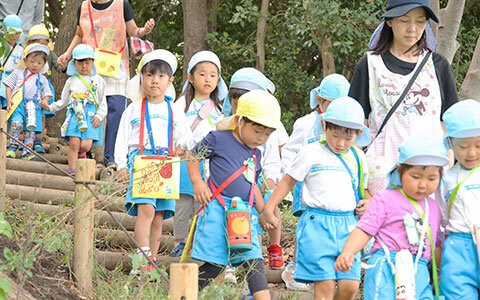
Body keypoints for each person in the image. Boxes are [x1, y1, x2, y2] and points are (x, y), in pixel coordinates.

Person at [260, 96, 371, 300]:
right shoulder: (311, 152)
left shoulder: (358, 157)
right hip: (317, 225)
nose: (340, 143)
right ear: (324, 125)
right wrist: (269, 208)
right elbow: (287, 181)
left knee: (350, 285)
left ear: (358, 134)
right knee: (325, 285)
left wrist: (368, 203)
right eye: (335, 134)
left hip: (348, 227)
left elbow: (364, 191)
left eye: (347, 138)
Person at [348, 0, 458, 196]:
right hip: (382, 176)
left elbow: (450, 123)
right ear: (389, 21)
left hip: (430, 175)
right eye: (404, 20)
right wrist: (361, 187)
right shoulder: (370, 65)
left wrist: (449, 164)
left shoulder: (438, 65)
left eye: (420, 21)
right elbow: (356, 125)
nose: (413, 29)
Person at [188, 90, 281, 300]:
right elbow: (193, 156)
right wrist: (198, 182)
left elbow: (253, 186)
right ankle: (182, 293)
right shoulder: (218, 138)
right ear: (240, 121)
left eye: (267, 134)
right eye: (258, 131)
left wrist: (265, 212)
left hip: (244, 214)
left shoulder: (256, 152)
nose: (262, 138)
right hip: (217, 210)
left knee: (254, 262)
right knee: (215, 265)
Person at [335, 135, 449, 300]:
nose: (423, 184)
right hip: (387, 266)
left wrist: (445, 269)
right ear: (400, 170)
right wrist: (348, 252)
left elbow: (435, 245)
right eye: (416, 177)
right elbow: (365, 230)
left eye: (432, 178)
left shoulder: (434, 208)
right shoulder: (385, 199)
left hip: (420, 270)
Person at [114, 49, 190, 274]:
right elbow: (121, 138)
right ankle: (142, 256)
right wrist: (120, 165)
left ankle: (152, 261)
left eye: (160, 76)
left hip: (167, 164)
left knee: (159, 216)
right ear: (141, 79)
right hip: (141, 161)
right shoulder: (133, 108)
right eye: (149, 75)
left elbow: (185, 137)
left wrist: (182, 148)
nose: (154, 80)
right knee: (146, 209)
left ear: (170, 81)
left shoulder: (175, 110)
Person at [57, 0, 156, 168]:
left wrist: (144, 30)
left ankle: (110, 157)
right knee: (88, 108)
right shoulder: (83, 7)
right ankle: (85, 154)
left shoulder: (121, 4)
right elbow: (79, 35)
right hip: (89, 69)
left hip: (116, 67)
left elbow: (133, 31)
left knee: (116, 110)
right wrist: (67, 54)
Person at [279, 73, 350, 291]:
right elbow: (290, 150)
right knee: (307, 229)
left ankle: (320, 273)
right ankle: (295, 271)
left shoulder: (344, 128)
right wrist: (291, 175)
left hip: (330, 187)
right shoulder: (305, 123)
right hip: (305, 185)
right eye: (331, 104)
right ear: (320, 100)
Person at [225, 67, 285, 270]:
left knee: (270, 203)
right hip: (235, 182)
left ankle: (274, 246)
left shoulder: (266, 124)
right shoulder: (227, 125)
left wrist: (270, 179)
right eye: (235, 104)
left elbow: (272, 159)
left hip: (259, 180)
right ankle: (245, 260)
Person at [170, 50, 227, 257]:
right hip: (184, 162)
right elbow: (174, 130)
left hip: (209, 166)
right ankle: (180, 242)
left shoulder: (221, 110)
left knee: (202, 205)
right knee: (182, 206)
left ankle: (199, 245)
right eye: (202, 74)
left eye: (213, 75)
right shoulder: (180, 105)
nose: (208, 79)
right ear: (190, 78)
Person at [39, 44, 107, 177]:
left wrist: (99, 116)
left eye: (87, 63)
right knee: (74, 143)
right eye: (80, 63)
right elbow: (63, 101)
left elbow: (102, 101)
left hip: (91, 114)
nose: (84, 66)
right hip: (75, 114)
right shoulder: (71, 80)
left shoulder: (98, 80)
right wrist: (50, 107)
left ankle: (82, 155)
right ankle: (72, 170)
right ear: (74, 63)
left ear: (92, 62)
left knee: (86, 146)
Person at [437, 99, 480, 299]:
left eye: (478, 145)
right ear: (450, 143)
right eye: (463, 146)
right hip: (457, 248)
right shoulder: (445, 179)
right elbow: (442, 216)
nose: (471, 153)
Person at [4, 43, 52, 160]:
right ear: (25, 60)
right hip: (19, 104)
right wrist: (9, 100)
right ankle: (12, 147)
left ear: (44, 64)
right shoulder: (18, 72)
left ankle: (27, 152)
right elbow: (9, 86)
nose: (35, 65)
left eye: (39, 63)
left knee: (30, 129)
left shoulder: (43, 79)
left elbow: (47, 93)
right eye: (32, 61)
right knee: (17, 124)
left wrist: (44, 101)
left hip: (34, 106)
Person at [26, 24, 63, 153]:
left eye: (43, 44)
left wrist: (63, 64)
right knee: (26, 111)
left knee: (41, 113)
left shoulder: (50, 54)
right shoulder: (27, 54)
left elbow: (59, 67)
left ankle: (38, 140)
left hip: (43, 87)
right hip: (29, 85)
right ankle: (24, 138)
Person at [1, 14, 24, 109]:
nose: (14, 36)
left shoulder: (20, 50)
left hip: (11, 83)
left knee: (8, 108)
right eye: (11, 32)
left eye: (17, 33)